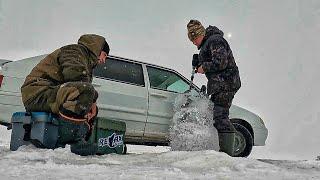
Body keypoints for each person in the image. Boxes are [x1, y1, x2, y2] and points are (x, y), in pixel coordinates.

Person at [21, 34, 110, 148]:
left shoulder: (86, 61)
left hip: (50, 93)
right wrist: (92, 99)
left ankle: (80, 140)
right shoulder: (74, 51)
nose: (103, 61)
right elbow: (75, 77)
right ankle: (70, 144)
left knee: (89, 104)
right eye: (104, 55)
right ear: (98, 49)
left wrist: (92, 103)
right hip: (38, 93)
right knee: (84, 91)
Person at [187, 20, 241, 156]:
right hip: (220, 85)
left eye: (194, 39)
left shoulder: (215, 40)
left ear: (200, 34)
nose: (193, 42)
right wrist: (199, 60)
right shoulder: (208, 43)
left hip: (226, 83)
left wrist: (203, 67)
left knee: (220, 116)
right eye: (191, 40)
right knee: (217, 116)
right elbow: (213, 59)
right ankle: (224, 151)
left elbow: (221, 62)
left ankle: (227, 154)